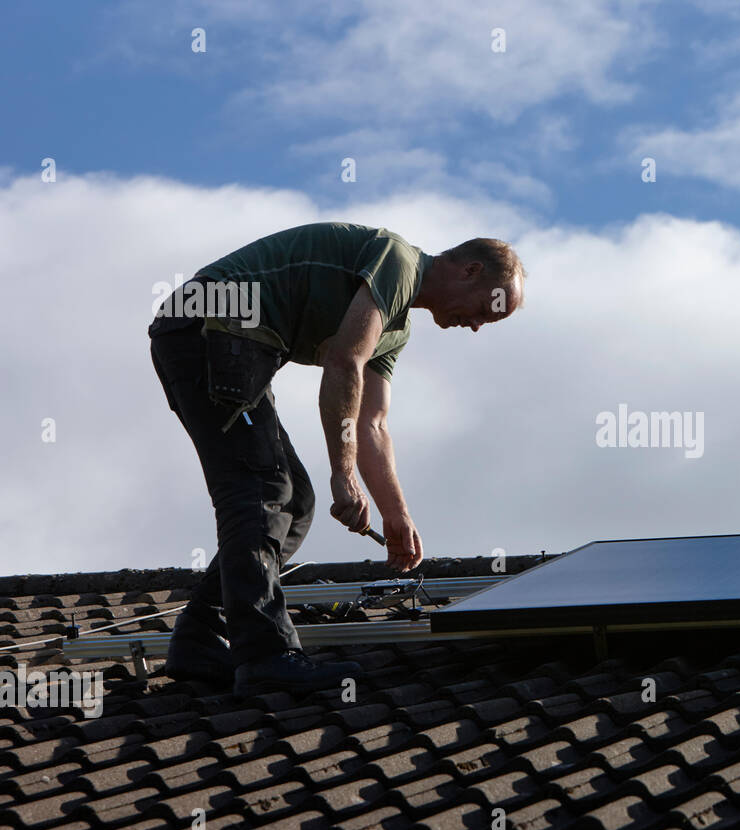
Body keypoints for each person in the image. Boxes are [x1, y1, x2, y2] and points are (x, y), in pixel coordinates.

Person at [148, 222, 526, 695]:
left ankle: (201, 638)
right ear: (470, 270)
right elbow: (344, 361)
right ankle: (264, 655)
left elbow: (373, 424)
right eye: (488, 310)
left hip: (227, 339)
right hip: (209, 323)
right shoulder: (398, 260)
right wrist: (343, 475)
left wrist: (395, 514)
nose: (476, 326)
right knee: (262, 488)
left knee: (294, 504)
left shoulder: (395, 330)